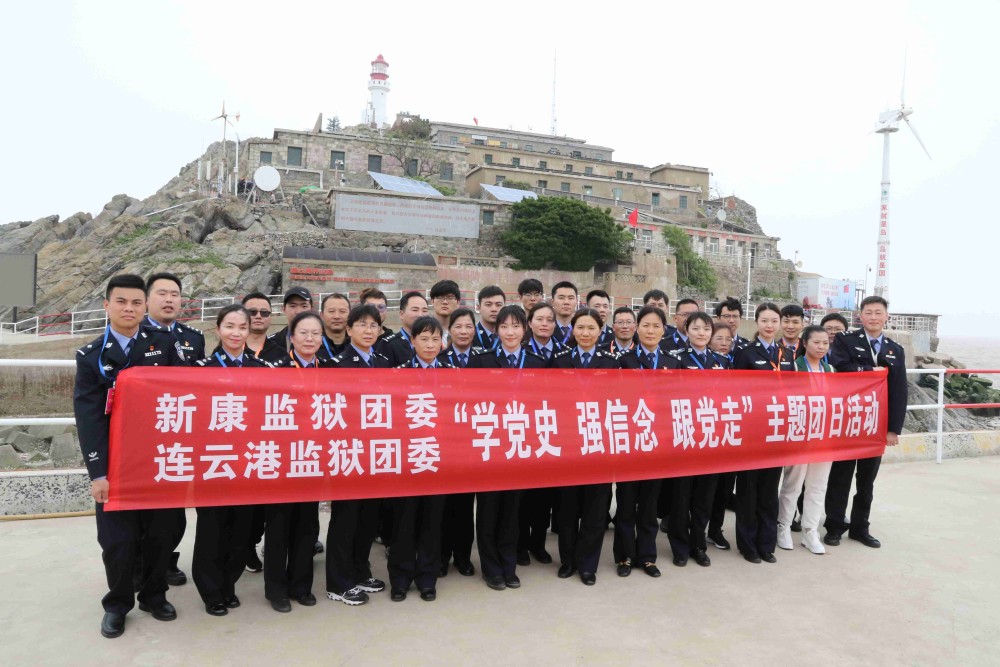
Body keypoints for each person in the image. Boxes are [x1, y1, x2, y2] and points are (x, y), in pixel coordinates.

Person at [73, 274, 186, 639]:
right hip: (116, 466)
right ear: (107, 305)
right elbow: (88, 420)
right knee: (117, 543)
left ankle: (154, 595)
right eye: (121, 302)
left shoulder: (164, 345)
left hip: (159, 461)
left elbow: (185, 399)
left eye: (136, 303)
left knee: (161, 535)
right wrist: (97, 473)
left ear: (145, 306)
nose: (129, 309)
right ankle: (118, 604)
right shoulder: (91, 358)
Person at [191, 305, 272, 616]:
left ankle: (229, 584)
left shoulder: (261, 369)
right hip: (213, 461)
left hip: (248, 462)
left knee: (242, 530)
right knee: (212, 530)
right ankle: (211, 591)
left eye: (242, 327)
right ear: (218, 329)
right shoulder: (201, 369)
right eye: (230, 326)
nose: (237, 333)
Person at [467, 305, 549, 590]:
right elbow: (470, 403)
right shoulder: (482, 360)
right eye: (504, 326)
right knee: (489, 509)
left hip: (521, 447)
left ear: (525, 329)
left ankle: (508, 564)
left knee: (513, 511)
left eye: (515, 326)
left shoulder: (538, 363)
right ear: (497, 330)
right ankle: (491, 568)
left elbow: (545, 406)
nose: (510, 332)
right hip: (490, 445)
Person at [824, 296, 907, 549]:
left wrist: (893, 429)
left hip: (876, 424)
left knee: (866, 481)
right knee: (840, 477)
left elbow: (899, 391)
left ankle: (861, 528)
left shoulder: (895, 349)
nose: (873, 317)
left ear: (886, 317)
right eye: (868, 312)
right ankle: (835, 527)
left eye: (878, 312)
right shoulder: (845, 341)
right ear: (860, 316)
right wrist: (869, 372)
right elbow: (840, 366)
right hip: (849, 421)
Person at [324, 304, 391, 606]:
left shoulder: (384, 361)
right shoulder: (336, 364)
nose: (368, 330)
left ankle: (360, 570)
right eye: (361, 324)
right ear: (349, 330)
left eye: (373, 325)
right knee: (345, 520)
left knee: (368, 518)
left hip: (376, 453)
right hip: (348, 453)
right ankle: (338, 582)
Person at [551, 308, 620, 586]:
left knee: (594, 509)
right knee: (567, 509)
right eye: (580, 327)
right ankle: (568, 560)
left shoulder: (612, 363)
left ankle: (588, 564)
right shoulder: (559, 360)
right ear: (572, 330)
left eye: (591, 328)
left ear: (600, 331)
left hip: (599, 445)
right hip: (567, 445)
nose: (585, 333)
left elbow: (618, 403)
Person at [263, 311, 326, 612]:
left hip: (312, 458)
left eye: (316, 334)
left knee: (307, 526)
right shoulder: (274, 368)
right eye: (303, 333)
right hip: (280, 459)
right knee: (278, 528)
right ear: (291, 336)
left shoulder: (330, 370)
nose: (310, 339)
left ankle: (301, 586)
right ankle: (275, 589)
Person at [145, 272, 204, 586]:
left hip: (180, 438)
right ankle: (143, 564)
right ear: (147, 298)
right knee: (144, 507)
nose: (169, 300)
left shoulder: (193, 338)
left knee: (175, 510)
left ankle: (167, 558)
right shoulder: (136, 335)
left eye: (174, 294)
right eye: (162, 293)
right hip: (143, 438)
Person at [388, 317, 453, 602]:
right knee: (404, 522)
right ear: (411, 341)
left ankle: (428, 578)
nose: (430, 345)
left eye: (435, 339)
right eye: (424, 339)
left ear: (442, 343)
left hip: (438, 459)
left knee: (432, 522)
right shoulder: (397, 374)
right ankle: (400, 578)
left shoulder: (453, 374)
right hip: (407, 459)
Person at [614, 306, 680, 579]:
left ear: (664, 330)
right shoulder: (623, 361)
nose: (650, 331)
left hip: (658, 444)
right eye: (646, 325)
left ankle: (648, 557)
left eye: (656, 326)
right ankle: (625, 556)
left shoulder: (673, 363)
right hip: (630, 443)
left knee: (649, 506)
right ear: (636, 328)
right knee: (627, 504)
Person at [665, 313, 730, 568]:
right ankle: (680, 547)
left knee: (705, 496)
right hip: (685, 436)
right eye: (696, 328)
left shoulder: (721, 361)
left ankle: (698, 545)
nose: (701, 333)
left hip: (712, 437)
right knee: (682, 497)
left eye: (706, 328)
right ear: (687, 330)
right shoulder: (676, 359)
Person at [732, 302, 795, 564]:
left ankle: (766, 544)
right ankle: (748, 545)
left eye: (774, 321)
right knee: (748, 491)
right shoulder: (745, 353)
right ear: (756, 323)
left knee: (770, 490)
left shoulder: (787, 354)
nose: (770, 325)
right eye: (764, 321)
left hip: (778, 432)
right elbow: (736, 392)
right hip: (752, 432)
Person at [776, 325, 834, 555]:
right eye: (816, 342)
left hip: (823, 436)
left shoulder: (830, 369)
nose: (821, 347)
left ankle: (810, 530)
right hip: (800, 434)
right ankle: (784, 527)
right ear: (805, 343)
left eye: (825, 343)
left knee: (818, 486)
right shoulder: (794, 367)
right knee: (793, 484)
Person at [436, 308, 484, 578]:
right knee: (445, 506)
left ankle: (463, 557)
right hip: (446, 444)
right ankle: (442, 556)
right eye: (458, 326)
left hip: (474, 442)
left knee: (466, 506)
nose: (464, 331)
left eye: (468, 326)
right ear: (449, 330)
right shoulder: (440, 359)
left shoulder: (483, 360)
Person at [258, 287, 313, 363]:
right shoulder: (271, 343)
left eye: (304, 306)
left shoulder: (324, 342)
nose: (298, 311)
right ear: (283, 309)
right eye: (293, 306)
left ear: (311, 309)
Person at [378, 291, 428, 366]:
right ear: (401, 314)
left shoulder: (434, 343)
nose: (420, 315)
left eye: (424, 310)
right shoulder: (388, 345)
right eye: (415, 310)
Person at [318, 293, 351, 360]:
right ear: (322, 315)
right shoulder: (312, 345)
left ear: (350, 314)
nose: (337, 316)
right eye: (331, 311)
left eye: (342, 311)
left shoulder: (358, 345)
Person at [241, 292, 274, 361]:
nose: (258, 316)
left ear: (271, 317)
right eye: (252, 312)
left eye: (264, 312)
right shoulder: (229, 351)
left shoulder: (282, 355)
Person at [429, 279, 462, 347]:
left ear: (458, 302)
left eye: (450, 298)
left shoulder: (464, 332)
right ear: (432, 301)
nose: (445, 302)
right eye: (440, 297)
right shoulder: (423, 330)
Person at [474, 285, 505, 350]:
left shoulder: (510, 336)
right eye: (488, 304)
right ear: (478, 307)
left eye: (498, 305)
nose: (494, 309)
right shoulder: (469, 335)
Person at [550, 281, 579, 346]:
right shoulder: (546, 327)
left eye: (571, 298)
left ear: (576, 301)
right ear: (552, 301)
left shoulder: (581, 328)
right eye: (561, 298)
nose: (566, 302)